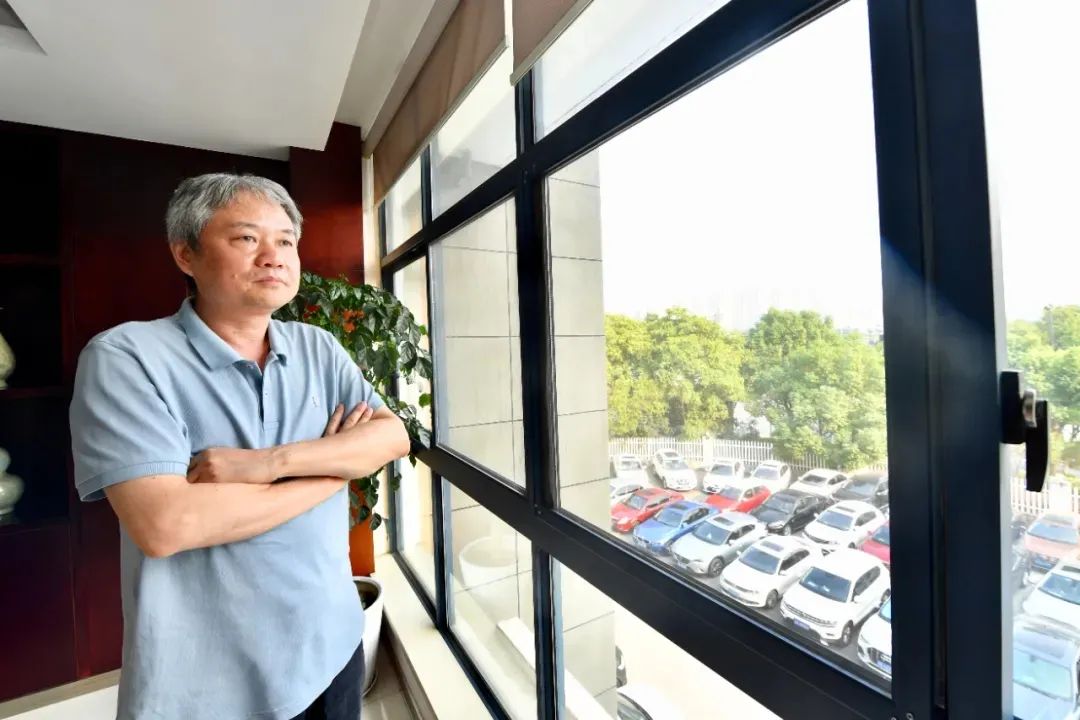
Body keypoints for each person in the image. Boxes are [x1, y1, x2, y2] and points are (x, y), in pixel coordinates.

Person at [69, 173, 409, 720]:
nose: (274, 256)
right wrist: (336, 470)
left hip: (330, 641)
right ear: (185, 253)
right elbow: (167, 525)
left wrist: (266, 464)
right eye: (247, 238)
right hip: (209, 682)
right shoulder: (126, 357)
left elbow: (393, 435)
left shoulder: (318, 346)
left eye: (286, 241)